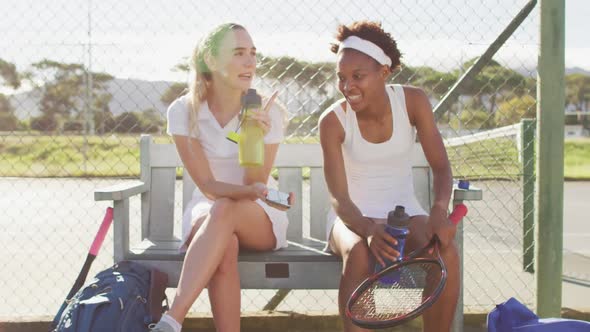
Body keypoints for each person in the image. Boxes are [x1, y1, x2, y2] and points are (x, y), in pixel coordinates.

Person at [152, 23, 293, 332]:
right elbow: (208, 187)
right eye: (239, 53)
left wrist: (251, 134)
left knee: (227, 209)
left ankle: (172, 320)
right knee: (224, 239)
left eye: (253, 54)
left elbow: (252, 186)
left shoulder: (269, 112)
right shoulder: (183, 111)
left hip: (258, 215)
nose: (250, 62)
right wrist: (250, 185)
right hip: (209, 209)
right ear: (212, 61)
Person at [319, 21, 458, 332]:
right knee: (359, 254)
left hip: (404, 215)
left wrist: (438, 212)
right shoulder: (333, 121)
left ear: (384, 71)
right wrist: (368, 229)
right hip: (352, 219)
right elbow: (339, 199)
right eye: (341, 78)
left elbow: (442, 167)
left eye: (358, 77)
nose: (347, 86)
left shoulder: (413, 101)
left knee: (445, 250)